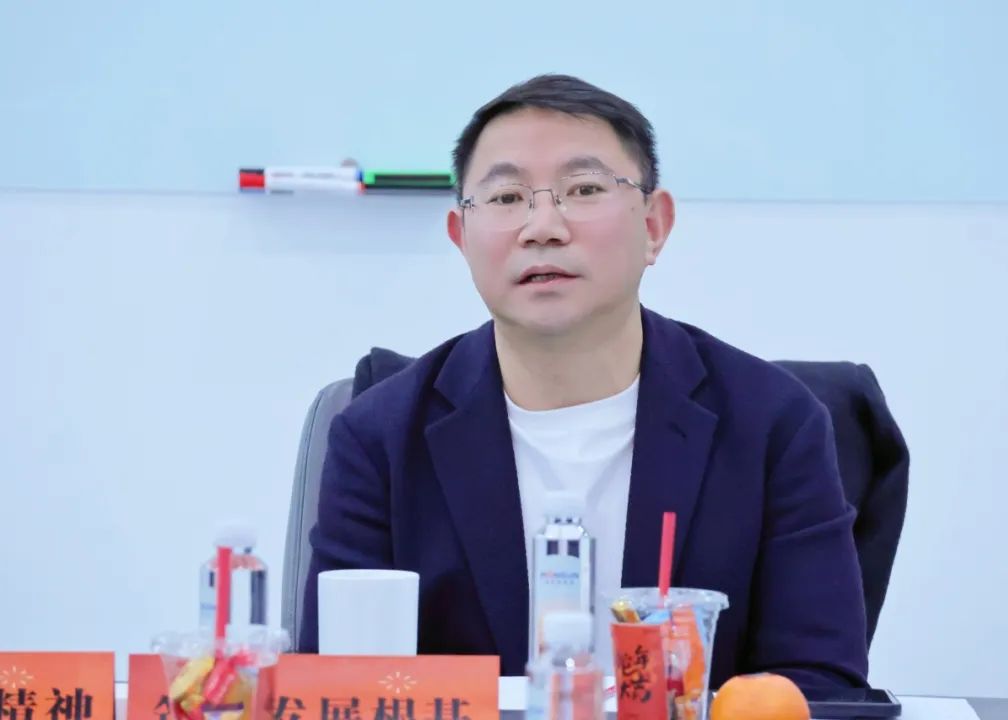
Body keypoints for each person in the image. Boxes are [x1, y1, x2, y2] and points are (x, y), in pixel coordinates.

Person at [299, 74, 868, 689]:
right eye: (506, 197)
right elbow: (332, 687)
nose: (542, 226)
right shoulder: (379, 438)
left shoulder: (774, 425)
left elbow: (822, 687)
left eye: (584, 189)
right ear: (461, 237)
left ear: (654, 225)